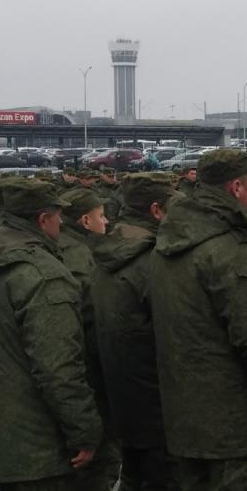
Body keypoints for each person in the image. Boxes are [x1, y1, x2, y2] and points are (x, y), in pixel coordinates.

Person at [150, 149, 247, 488]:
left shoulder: (169, 242)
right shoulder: (231, 252)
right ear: (237, 187)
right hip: (232, 424)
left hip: (183, 419)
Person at [0, 178, 103, 489]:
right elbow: (58, 368)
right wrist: (84, 432)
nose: (62, 223)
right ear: (43, 220)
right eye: (59, 216)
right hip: (32, 451)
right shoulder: (44, 276)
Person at [92, 172, 178, 490]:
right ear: (157, 210)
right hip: (158, 404)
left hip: (123, 400)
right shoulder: (154, 258)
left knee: (135, 476)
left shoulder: (112, 247)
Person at [55, 188, 120, 490]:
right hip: (87, 376)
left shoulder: (59, 245)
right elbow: (94, 321)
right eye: (101, 216)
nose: (106, 222)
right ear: (84, 220)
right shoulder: (83, 256)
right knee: (98, 465)